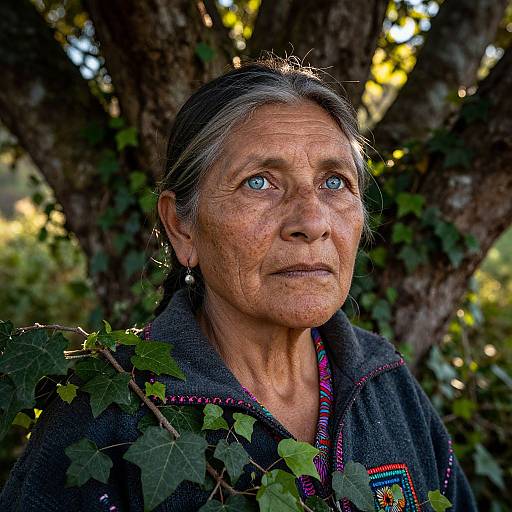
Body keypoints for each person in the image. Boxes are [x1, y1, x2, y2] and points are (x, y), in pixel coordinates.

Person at [0, 58, 477, 512]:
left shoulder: (384, 380)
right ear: (183, 228)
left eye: (334, 182)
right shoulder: (107, 417)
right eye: (259, 182)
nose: (311, 220)